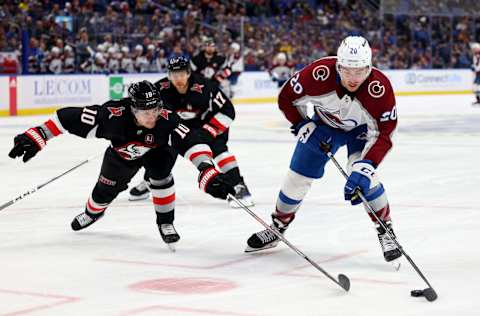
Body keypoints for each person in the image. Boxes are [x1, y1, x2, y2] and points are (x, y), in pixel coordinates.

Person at [8, 80, 234, 249]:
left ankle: (166, 222)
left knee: (161, 177)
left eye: (155, 109)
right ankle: (93, 213)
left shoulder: (167, 119)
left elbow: (192, 142)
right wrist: (38, 134)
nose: (152, 115)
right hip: (122, 155)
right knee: (103, 191)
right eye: (146, 111)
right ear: (134, 109)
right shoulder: (112, 115)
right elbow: (67, 118)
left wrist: (207, 169)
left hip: (159, 152)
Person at [245, 36, 402, 264]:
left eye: (359, 71)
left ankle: (385, 230)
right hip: (323, 126)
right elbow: (287, 97)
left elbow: (385, 132)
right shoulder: (319, 73)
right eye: (347, 70)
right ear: (338, 65)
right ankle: (278, 226)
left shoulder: (380, 88)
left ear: (369, 67)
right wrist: (302, 123)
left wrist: (366, 166)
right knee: (296, 177)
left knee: (363, 176)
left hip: (362, 132)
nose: (353, 78)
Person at [129, 56, 254, 208]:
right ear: (169, 75)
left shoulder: (205, 86)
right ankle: (151, 180)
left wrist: (210, 130)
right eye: (174, 75)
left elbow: (228, 110)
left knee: (219, 151)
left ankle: (239, 185)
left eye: (181, 74)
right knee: (162, 152)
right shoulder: (160, 89)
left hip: (209, 125)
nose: (178, 78)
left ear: (188, 73)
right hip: (180, 127)